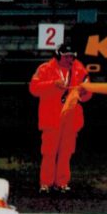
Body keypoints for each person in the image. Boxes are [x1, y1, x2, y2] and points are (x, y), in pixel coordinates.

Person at [29, 42, 91, 193]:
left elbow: (88, 93)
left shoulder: (80, 69)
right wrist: (52, 84)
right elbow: (33, 88)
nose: (70, 59)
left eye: (72, 56)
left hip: (71, 118)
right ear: (58, 56)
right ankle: (46, 183)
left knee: (66, 152)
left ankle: (62, 183)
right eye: (67, 56)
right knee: (49, 152)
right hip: (51, 117)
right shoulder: (45, 69)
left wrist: (84, 92)